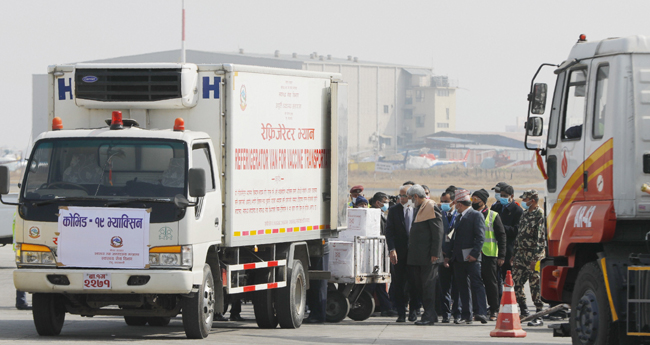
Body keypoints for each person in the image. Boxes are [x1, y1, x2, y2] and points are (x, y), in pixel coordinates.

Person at [447, 188, 488, 324]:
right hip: (458, 258)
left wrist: (474, 254)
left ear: (459, 204)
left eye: (456, 204)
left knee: (477, 284)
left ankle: (481, 312)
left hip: (471, 258)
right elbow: (453, 238)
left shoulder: (475, 215)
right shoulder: (458, 217)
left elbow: (480, 237)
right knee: (462, 287)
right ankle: (466, 315)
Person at [406, 184, 443, 326]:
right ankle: (429, 314)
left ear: (416, 196)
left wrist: (435, 253)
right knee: (420, 286)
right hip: (418, 257)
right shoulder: (419, 208)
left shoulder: (430, 207)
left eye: (410, 198)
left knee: (428, 286)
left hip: (428, 256)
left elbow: (438, 232)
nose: (410, 201)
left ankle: (429, 315)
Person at [511, 189, 546, 326]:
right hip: (521, 254)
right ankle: (524, 310)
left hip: (533, 256)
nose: (523, 202)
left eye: (525, 200)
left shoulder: (540, 215)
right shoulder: (525, 214)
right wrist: (514, 254)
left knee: (534, 284)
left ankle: (538, 313)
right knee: (516, 281)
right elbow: (519, 236)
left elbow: (540, 238)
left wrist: (536, 258)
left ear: (532, 200)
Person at [471, 189, 506, 321]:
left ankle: (494, 309)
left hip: (489, 254)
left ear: (483, 201)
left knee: (491, 283)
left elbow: (501, 236)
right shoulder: (472, 214)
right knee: (476, 283)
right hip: (475, 254)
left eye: (476, 199)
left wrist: (501, 256)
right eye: (472, 199)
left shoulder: (493, 215)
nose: (473, 202)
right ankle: (479, 309)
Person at [385, 184, 419, 322]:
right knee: (399, 283)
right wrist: (392, 249)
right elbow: (390, 232)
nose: (402, 198)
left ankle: (414, 310)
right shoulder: (394, 211)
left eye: (404, 195)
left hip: (416, 253)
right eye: (400, 195)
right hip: (399, 253)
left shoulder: (419, 210)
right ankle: (400, 312)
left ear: (411, 196)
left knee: (415, 283)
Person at [365, 192, 396, 316]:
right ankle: (375, 306)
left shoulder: (380, 214)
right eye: (385, 202)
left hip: (380, 252)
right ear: (378, 203)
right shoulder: (373, 214)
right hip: (375, 252)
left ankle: (385, 307)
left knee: (380, 280)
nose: (387, 205)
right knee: (374, 281)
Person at [490, 183, 523, 296]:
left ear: (511, 196)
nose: (502, 198)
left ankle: (510, 302)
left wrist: (501, 227)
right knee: (494, 279)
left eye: (505, 196)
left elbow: (517, 230)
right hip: (494, 247)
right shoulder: (496, 207)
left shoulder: (517, 210)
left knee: (508, 278)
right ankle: (497, 303)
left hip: (509, 249)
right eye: (501, 195)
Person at [438, 188, 461, 323]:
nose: (443, 204)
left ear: (453, 202)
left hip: (456, 256)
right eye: (441, 201)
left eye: (446, 201)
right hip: (442, 254)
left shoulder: (459, 215)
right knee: (444, 287)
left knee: (457, 287)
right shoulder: (439, 215)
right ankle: (445, 314)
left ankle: (457, 313)